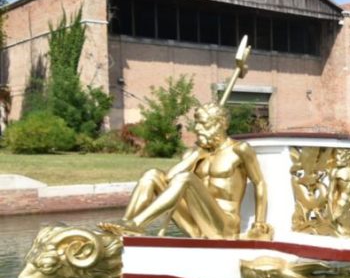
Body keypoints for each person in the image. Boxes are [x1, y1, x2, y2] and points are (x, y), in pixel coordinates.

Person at [101, 102, 272, 240]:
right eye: (197, 124)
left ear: (221, 124)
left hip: (224, 225)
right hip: (195, 223)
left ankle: (138, 223)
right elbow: (168, 179)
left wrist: (259, 222)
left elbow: (259, 183)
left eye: (203, 124)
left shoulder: (239, 149)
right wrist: (195, 155)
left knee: (186, 178)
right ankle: (127, 225)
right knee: (152, 174)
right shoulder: (195, 153)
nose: (197, 129)